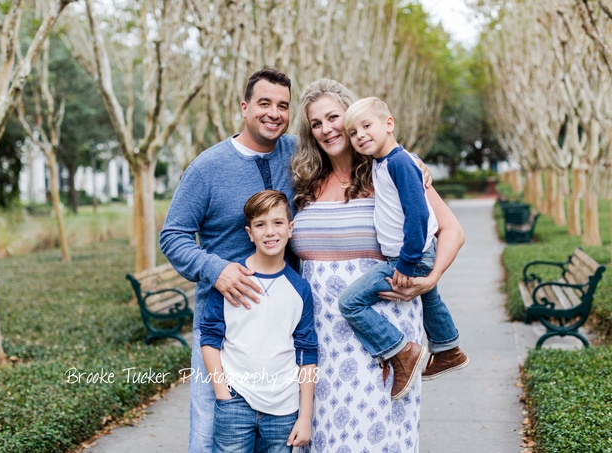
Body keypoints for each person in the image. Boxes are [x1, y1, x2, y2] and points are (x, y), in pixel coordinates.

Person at [289, 79, 465, 452]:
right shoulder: (304, 182)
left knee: (376, 436)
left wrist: (428, 280)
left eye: (334, 117)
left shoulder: (391, 171)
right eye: (316, 123)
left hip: (385, 333)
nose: (327, 129)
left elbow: (451, 231)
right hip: (319, 337)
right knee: (325, 437)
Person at [159, 68, 298, 453]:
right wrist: (215, 269)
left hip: (281, 327)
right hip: (220, 329)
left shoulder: (298, 153)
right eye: (264, 103)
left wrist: (409, 167)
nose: (274, 113)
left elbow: (354, 149)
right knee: (209, 435)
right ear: (244, 107)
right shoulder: (208, 167)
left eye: (283, 106)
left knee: (282, 435)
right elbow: (172, 235)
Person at [337, 97, 469, 401]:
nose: (360, 136)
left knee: (350, 303)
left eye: (366, 126)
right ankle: (448, 349)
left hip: (408, 257)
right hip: (413, 254)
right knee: (430, 299)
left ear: (389, 124)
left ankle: (402, 352)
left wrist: (405, 266)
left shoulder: (398, 163)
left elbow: (419, 215)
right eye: (353, 132)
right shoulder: (386, 161)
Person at [200, 190, 318, 452]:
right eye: (260, 225)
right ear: (249, 233)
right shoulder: (231, 280)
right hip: (235, 403)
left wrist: (305, 416)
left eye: (277, 223)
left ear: (290, 228)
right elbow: (210, 338)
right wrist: (223, 394)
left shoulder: (299, 288)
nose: (269, 232)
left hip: (284, 408)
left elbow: (307, 352)